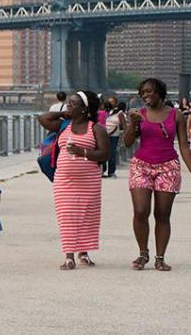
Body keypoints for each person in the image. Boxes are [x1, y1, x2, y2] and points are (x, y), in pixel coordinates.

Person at [123, 78, 190, 272]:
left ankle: (160, 258)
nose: (145, 95)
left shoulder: (177, 115)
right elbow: (127, 143)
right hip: (141, 165)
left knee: (162, 214)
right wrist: (132, 125)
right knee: (141, 210)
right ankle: (143, 253)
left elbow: (184, 146)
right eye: (142, 92)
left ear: (159, 92)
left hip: (168, 166)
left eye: (149, 91)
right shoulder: (139, 115)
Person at [38, 90, 110, 271]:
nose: (70, 105)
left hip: (89, 180)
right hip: (64, 180)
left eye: (74, 103)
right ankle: (69, 255)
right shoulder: (63, 125)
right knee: (67, 216)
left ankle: (83, 252)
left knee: (87, 216)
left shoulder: (96, 128)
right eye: (69, 102)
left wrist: (82, 152)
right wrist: (63, 113)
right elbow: (43, 118)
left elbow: (104, 153)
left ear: (85, 109)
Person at [102, 97, 125, 178]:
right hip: (103, 135)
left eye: (112, 102)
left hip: (113, 136)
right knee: (102, 153)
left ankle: (111, 172)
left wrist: (124, 135)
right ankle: (102, 170)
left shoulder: (119, 113)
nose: (111, 103)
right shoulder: (104, 112)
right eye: (109, 102)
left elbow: (124, 125)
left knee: (112, 153)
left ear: (116, 103)